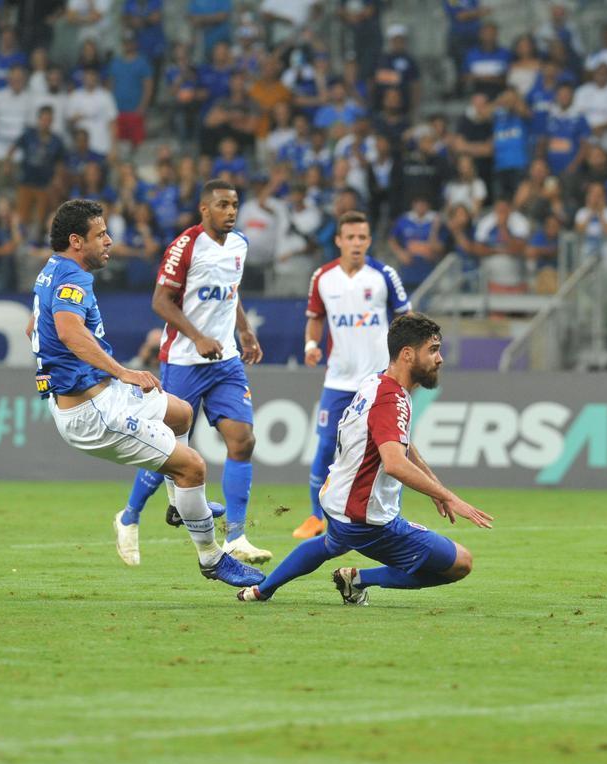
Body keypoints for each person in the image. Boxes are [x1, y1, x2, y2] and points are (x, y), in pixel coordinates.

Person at [31, 198, 263, 588]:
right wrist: (124, 372)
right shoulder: (73, 278)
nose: (108, 240)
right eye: (100, 234)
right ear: (76, 241)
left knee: (180, 413)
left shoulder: (52, 271)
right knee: (193, 467)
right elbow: (70, 332)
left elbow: (35, 325)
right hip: (93, 412)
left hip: (101, 395)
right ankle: (211, 557)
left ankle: (178, 505)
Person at [237, 313, 492, 603]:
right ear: (407, 354)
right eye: (432, 350)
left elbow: (400, 442)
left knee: (330, 544)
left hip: (338, 500)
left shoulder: (377, 382)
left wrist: (436, 487)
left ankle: (261, 590)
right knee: (461, 563)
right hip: (366, 519)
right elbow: (395, 463)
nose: (440, 358)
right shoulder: (390, 399)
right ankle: (357, 580)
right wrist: (451, 496)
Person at [114, 180, 271, 566]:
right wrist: (198, 336)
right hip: (184, 361)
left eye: (235, 204)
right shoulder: (186, 245)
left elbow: (231, 292)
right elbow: (160, 301)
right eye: (222, 205)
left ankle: (236, 537)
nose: (231, 211)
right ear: (205, 209)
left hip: (226, 361)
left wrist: (245, 330)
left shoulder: (239, 246)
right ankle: (128, 517)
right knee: (169, 451)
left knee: (243, 440)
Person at [293, 210, 411, 540]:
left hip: (379, 381)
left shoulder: (383, 274)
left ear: (369, 241)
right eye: (351, 238)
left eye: (362, 237)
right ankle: (316, 517)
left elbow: (407, 318)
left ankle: (390, 515)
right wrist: (311, 344)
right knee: (326, 445)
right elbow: (315, 317)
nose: (356, 243)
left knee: (392, 450)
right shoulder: (323, 277)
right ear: (339, 241)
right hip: (339, 378)